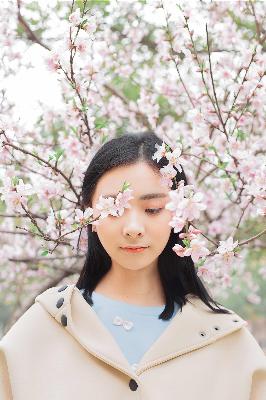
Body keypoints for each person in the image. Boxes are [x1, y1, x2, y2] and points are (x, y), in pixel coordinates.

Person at [0, 131, 265, 399]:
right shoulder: (38, 332)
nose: (134, 228)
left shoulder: (229, 343)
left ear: (181, 211)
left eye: (152, 209)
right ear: (88, 212)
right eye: (114, 209)